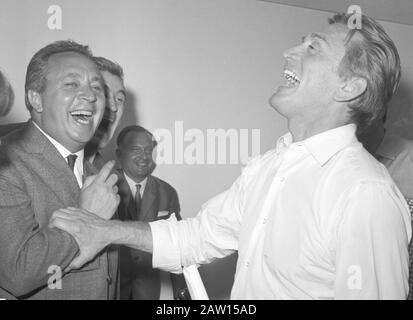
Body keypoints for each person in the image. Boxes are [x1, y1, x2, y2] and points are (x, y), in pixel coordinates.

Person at [50, 13, 411, 299]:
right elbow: (196, 238)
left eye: (313, 48)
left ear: (350, 87)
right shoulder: (268, 168)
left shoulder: (364, 194)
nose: (289, 53)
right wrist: (104, 230)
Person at [0, 40, 119, 299]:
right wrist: (85, 215)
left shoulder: (98, 170)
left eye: (97, 87)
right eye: (72, 84)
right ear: (36, 99)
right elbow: (17, 274)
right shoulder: (5, 162)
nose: (90, 96)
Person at [115, 125, 187, 300]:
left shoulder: (167, 192)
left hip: (149, 291)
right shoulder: (104, 187)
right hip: (112, 289)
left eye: (148, 150)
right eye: (135, 149)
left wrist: (181, 289)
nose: (144, 157)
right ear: (119, 154)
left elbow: (176, 243)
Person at [85, 56, 126, 167]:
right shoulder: (36, 166)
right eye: (105, 94)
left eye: (119, 99)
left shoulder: (111, 179)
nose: (113, 107)